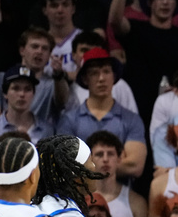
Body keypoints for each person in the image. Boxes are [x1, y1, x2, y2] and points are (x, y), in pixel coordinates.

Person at [109, 0, 178, 122]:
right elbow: (114, 21)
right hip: (138, 106)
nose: (165, 2)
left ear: (176, 3)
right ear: (149, 3)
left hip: (173, 108)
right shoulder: (135, 29)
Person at [56, 48, 147, 177]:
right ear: (85, 79)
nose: (101, 78)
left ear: (114, 77)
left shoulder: (131, 119)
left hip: (120, 194)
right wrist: (114, 163)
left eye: (106, 72)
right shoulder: (69, 120)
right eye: (94, 73)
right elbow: (65, 164)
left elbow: (135, 166)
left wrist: (85, 163)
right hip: (80, 194)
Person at [88, 130, 148, 217]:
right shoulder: (79, 199)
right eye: (99, 154)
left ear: (119, 159)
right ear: (90, 159)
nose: (105, 159)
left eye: (110, 154)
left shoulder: (136, 202)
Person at [0, 66, 54, 143]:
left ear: (34, 93)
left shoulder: (47, 130)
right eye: (16, 88)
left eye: (27, 89)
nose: (22, 94)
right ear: (5, 93)